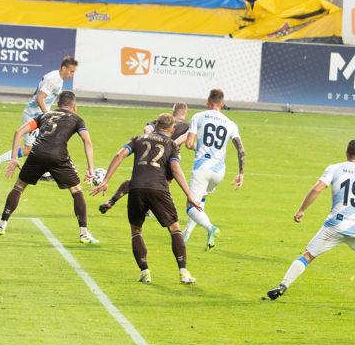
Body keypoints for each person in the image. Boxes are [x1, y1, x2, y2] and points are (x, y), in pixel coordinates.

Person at [265, 139, 355, 303]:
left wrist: (302, 210)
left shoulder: (335, 168)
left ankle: (283, 286)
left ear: (346, 152)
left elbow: (317, 189)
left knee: (308, 255)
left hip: (334, 226)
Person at [92, 113, 201, 285]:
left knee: (136, 231)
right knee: (174, 228)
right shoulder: (172, 144)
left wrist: (105, 180)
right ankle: (183, 272)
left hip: (136, 188)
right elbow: (175, 169)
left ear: (156, 125)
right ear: (172, 129)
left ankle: (145, 272)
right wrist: (189, 195)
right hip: (159, 189)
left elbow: (120, 155)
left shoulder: (138, 139)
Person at [0, 91, 98, 243]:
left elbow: (19, 132)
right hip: (58, 156)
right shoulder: (77, 119)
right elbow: (87, 142)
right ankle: (84, 234)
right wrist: (91, 168)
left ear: (57, 103)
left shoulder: (45, 115)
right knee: (76, 191)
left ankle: (1, 226)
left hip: (37, 153)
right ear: (74, 105)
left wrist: (14, 158)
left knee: (19, 187)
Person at [0, 56, 79, 178]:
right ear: (64, 68)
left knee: (44, 144)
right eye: (71, 71)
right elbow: (40, 98)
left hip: (39, 115)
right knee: (29, 149)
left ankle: (45, 173)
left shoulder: (58, 78)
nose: (72, 74)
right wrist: (48, 115)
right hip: (33, 115)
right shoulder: (53, 79)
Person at [99, 102, 190, 214]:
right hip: (169, 156)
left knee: (136, 180)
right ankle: (150, 206)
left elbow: (147, 128)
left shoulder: (162, 121)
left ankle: (112, 201)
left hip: (151, 152)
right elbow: (186, 138)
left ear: (173, 110)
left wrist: (151, 137)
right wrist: (170, 144)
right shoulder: (187, 125)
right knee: (164, 184)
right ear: (186, 112)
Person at [182, 89, 245, 250]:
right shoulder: (230, 123)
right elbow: (241, 150)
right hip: (219, 170)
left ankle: (211, 228)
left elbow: (189, 144)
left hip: (202, 167)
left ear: (208, 102)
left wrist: (199, 148)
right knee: (201, 199)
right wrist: (241, 173)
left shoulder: (198, 116)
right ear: (222, 104)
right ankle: (187, 233)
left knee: (191, 206)